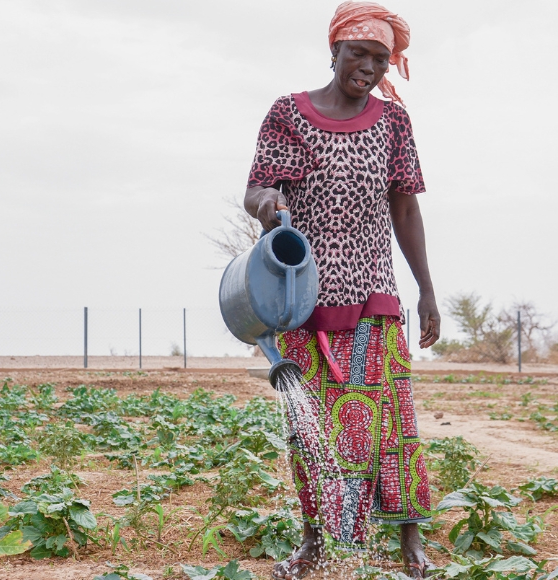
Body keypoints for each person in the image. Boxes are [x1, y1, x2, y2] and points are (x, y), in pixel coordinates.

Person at [242, 2, 439, 578]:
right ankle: (315, 543)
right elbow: (255, 188)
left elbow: (405, 209)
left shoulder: (393, 122)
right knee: (311, 428)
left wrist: (426, 290)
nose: (369, 67)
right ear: (334, 52)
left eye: (381, 59)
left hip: (375, 289)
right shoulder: (289, 114)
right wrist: (270, 206)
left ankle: (409, 542)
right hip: (303, 295)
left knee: (393, 417)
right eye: (359, 54)